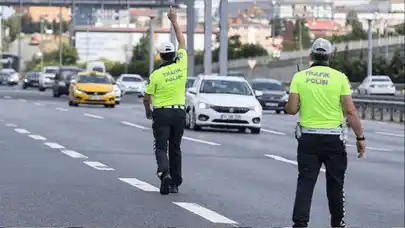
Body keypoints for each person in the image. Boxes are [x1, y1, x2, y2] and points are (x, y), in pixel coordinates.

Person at [285, 37, 366, 228]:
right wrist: (360, 137)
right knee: (335, 185)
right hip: (333, 140)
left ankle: (300, 224)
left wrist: (294, 103)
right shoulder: (340, 78)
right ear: (330, 57)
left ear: (311, 55)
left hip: (308, 139)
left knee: (305, 182)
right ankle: (337, 224)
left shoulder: (300, 77)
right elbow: (350, 111)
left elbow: (291, 109)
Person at [143, 7, 187, 195]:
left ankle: (165, 173)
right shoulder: (182, 64)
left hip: (161, 113)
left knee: (161, 147)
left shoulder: (156, 74)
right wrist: (174, 20)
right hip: (179, 113)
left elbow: (147, 97)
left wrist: (148, 112)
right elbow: (182, 40)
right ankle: (175, 183)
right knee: (175, 147)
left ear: (160, 56)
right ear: (174, 54)